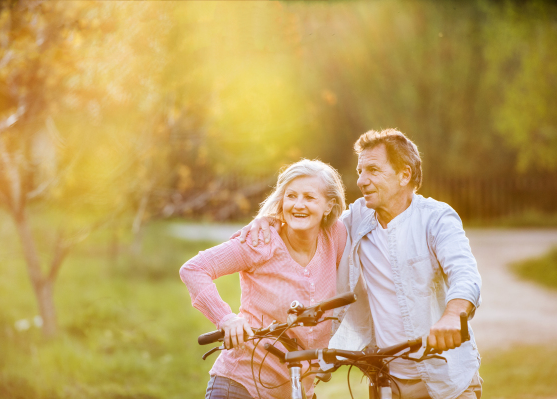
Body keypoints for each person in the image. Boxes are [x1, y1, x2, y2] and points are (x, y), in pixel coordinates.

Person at [238, 129, 483, 399]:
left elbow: (465, 274)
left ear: (404, 175)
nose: (362, 181)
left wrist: (452, 315)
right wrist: (270, 220)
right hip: (389, 381)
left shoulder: (436, 219)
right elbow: (309, 220)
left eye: (373, 170)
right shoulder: (356, 219)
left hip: (447, 377)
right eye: (360, 171)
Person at [179, 159, 348, 399]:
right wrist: (225, 318)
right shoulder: (261, 241)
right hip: (241, 385)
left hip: (299, 389)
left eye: (310, 198)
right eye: (291, 196)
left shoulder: (336, 236)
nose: (298, 205)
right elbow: (194, 269)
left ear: (329, 206)